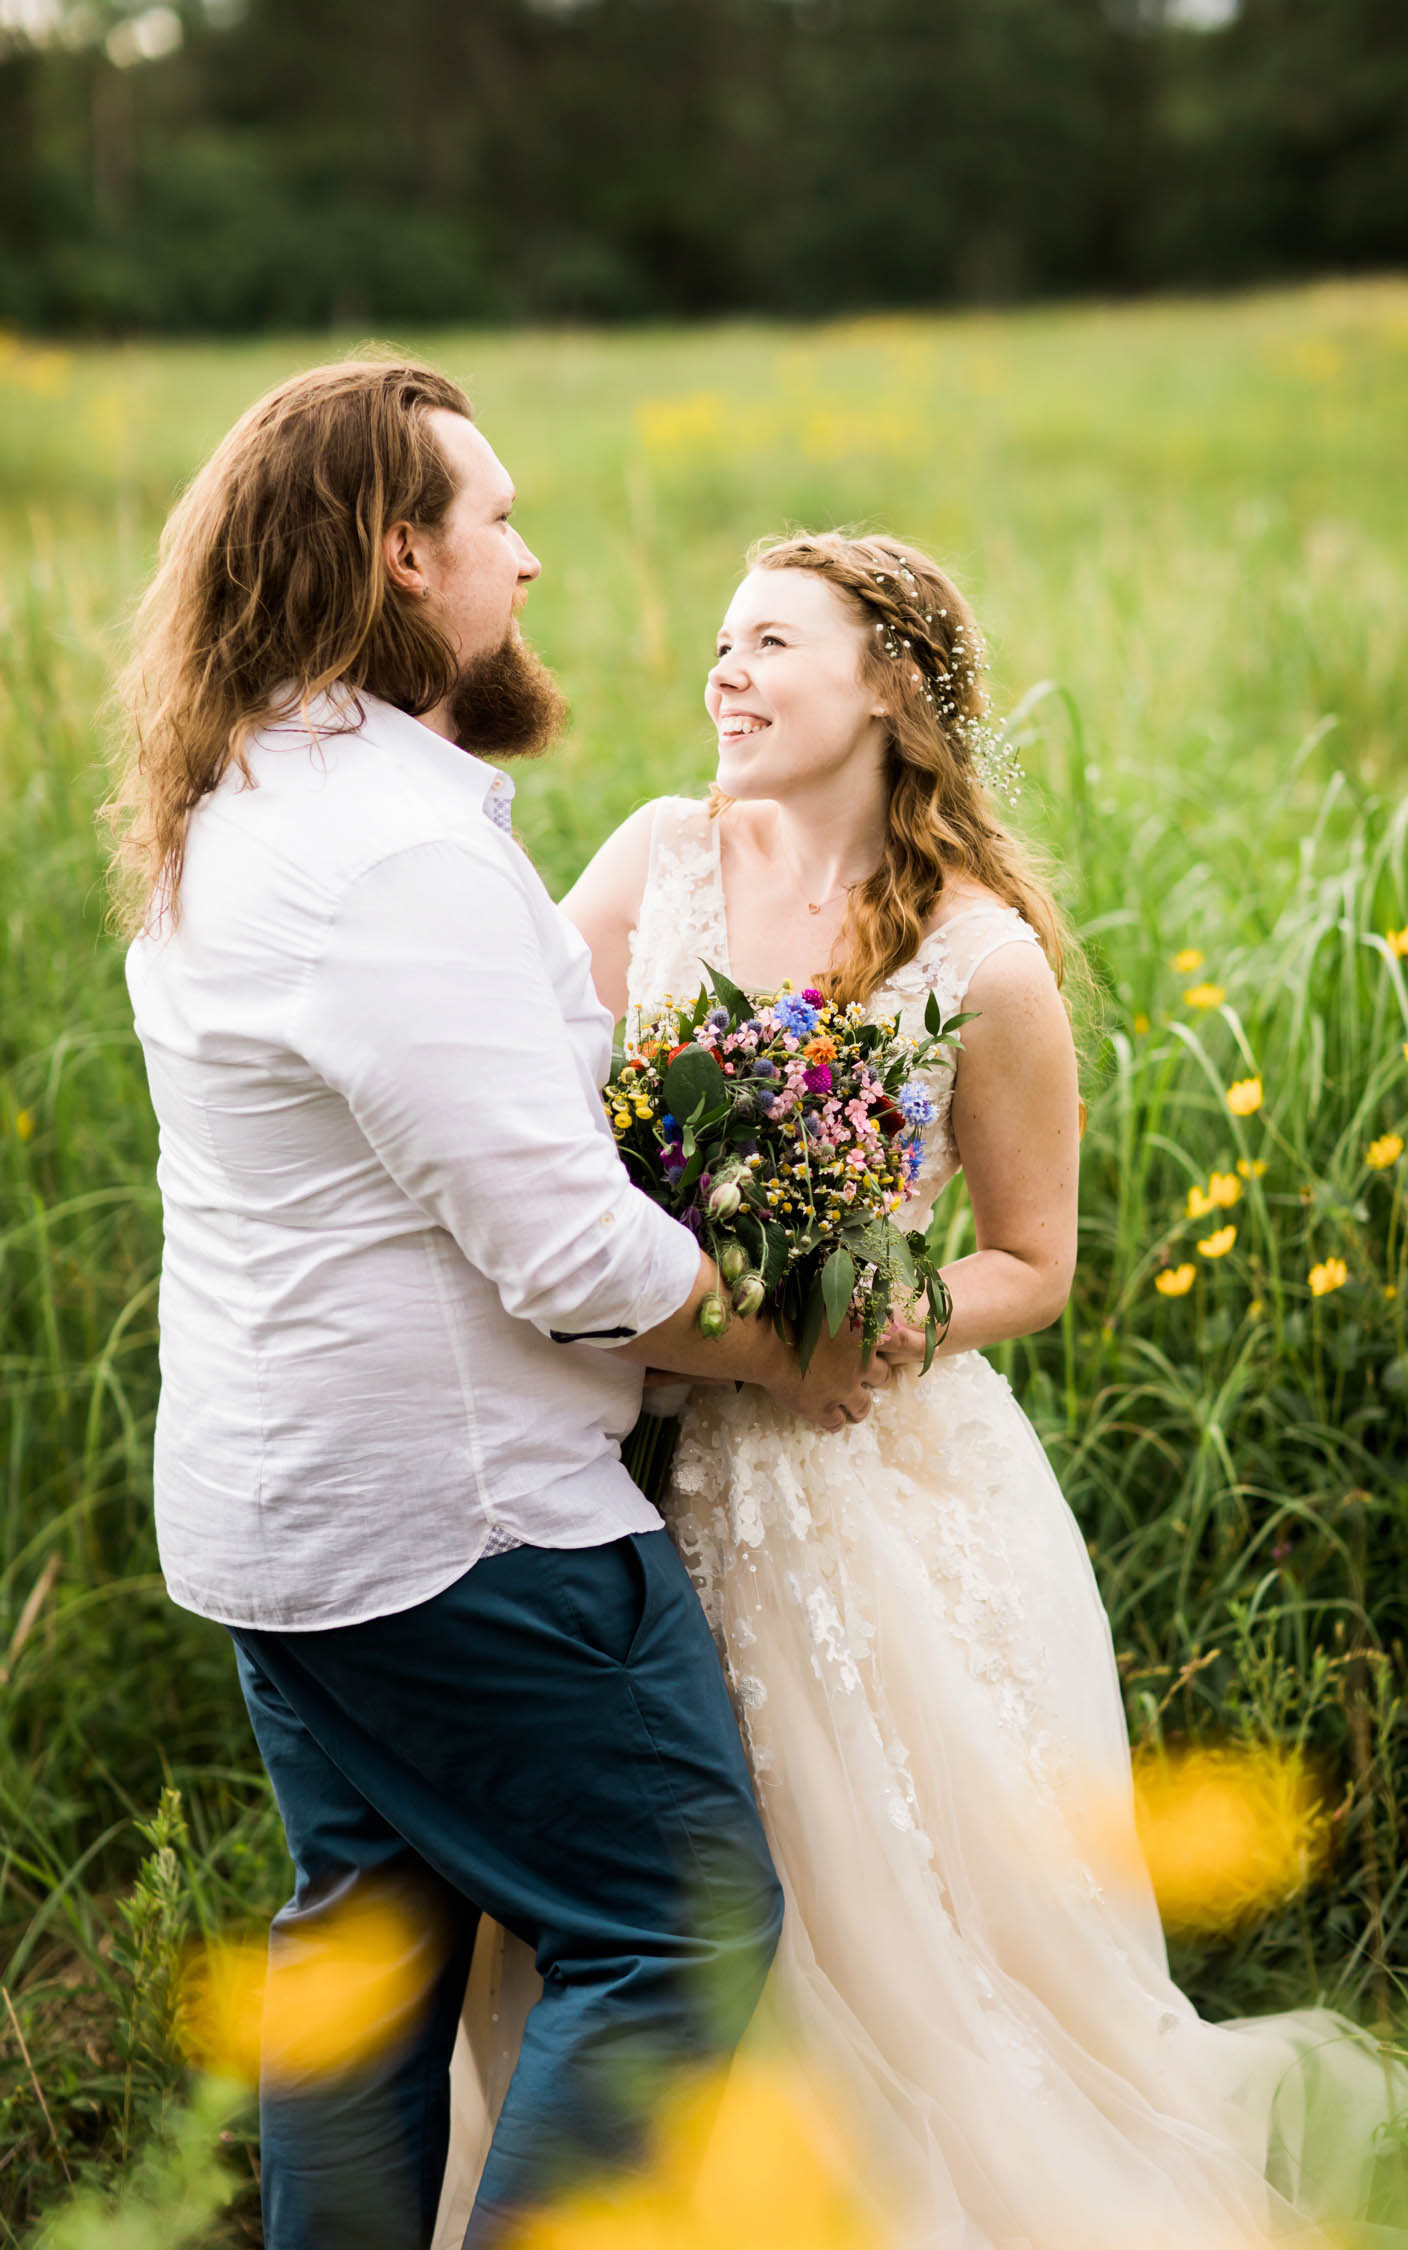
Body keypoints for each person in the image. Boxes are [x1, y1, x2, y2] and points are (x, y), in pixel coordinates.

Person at [439, 532, 1408, 2249]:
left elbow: (1034, 1263)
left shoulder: (981, 958)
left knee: (870, 1894)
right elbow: (538, 1128)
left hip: (857, 1478)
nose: (723, 673)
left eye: (769, 643)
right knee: (632, 1887)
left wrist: (875, 1314)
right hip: (618, 1444)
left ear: (889, 682)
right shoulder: (657, 858)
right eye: (723, 643)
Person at [109, 363, 891, 2250]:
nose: (529, 564)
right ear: (397, 555)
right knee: (675, 1922)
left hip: (280, 1509)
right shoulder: (389, 856)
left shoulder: (246, 797)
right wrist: (798, 1328)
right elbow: (572, 1260)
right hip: (459, 1530)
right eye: (497, 521)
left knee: (365, 1946)